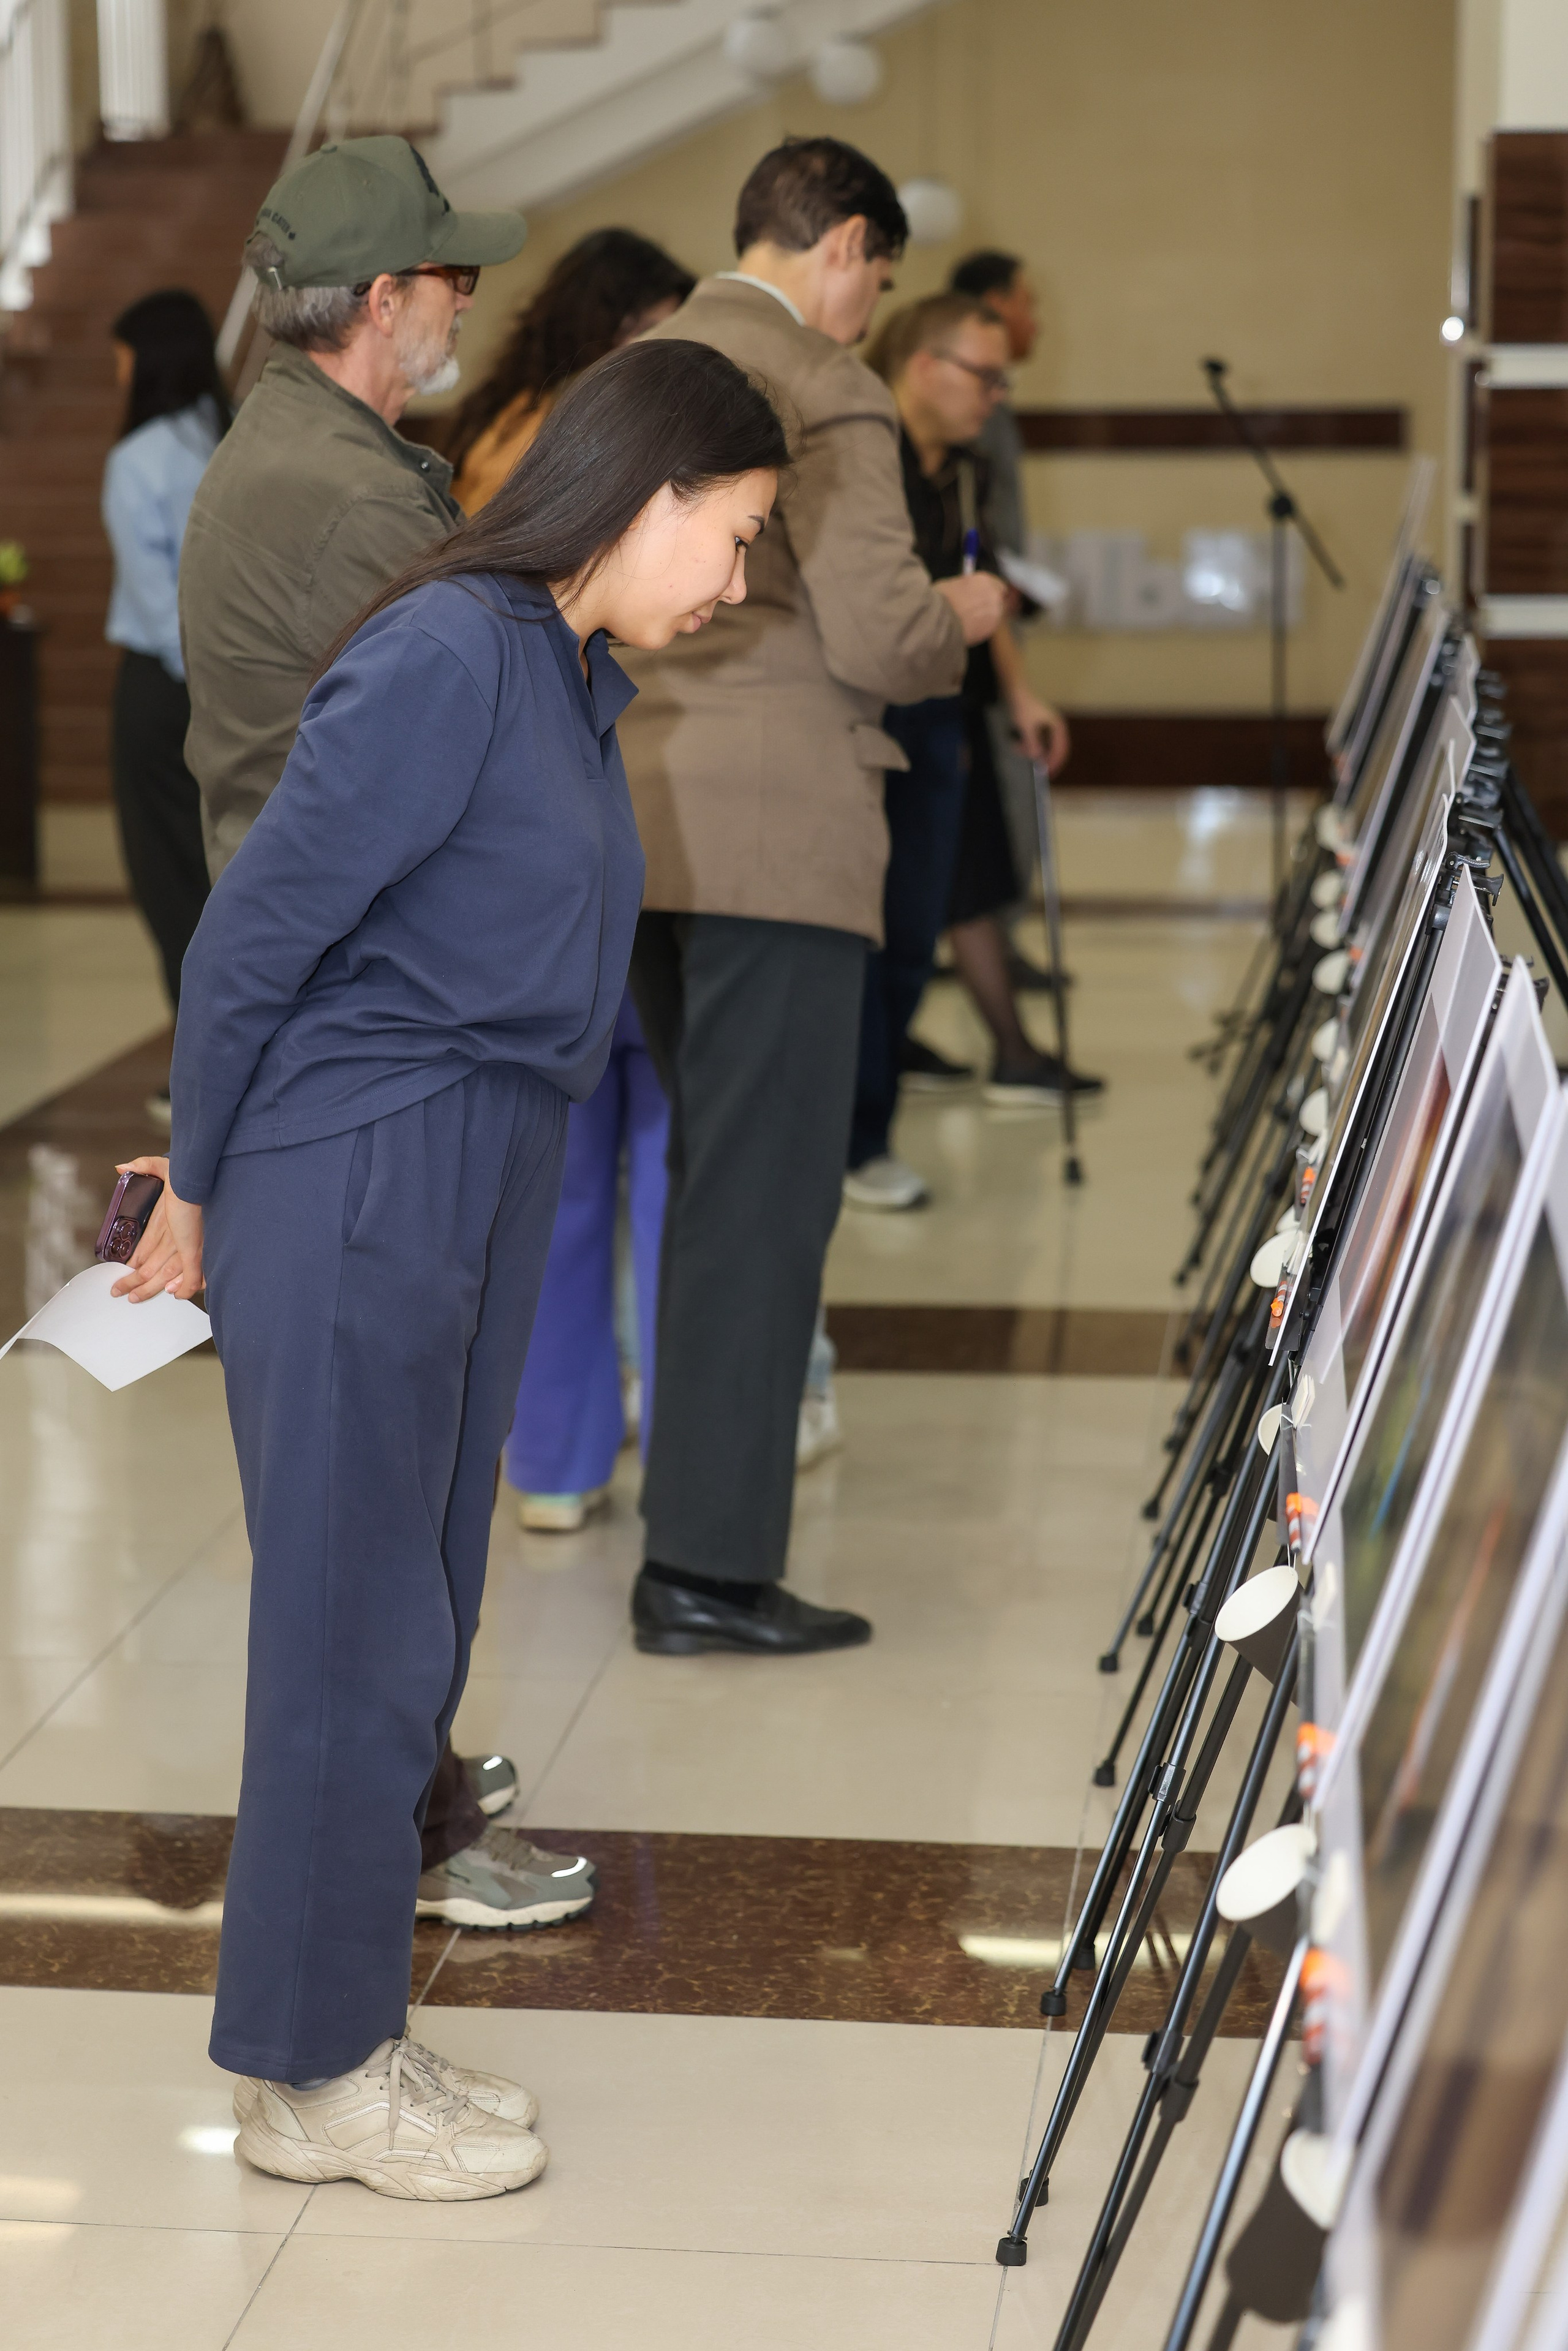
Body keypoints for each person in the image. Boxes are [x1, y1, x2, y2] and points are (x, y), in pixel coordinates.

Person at [113, 336, 788, 2201]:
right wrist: (208, 1176)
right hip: (363, 1169)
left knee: (411, 1611)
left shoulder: (559, 668)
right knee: (348, 1627)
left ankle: (338, 2043)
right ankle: (311, 2072)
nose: (732, 583)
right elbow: (257, 933)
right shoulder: (441, 657)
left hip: (475, 1154)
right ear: (643, 498)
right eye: (725, 539)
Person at [176, 134, 565, 1931]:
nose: (466, 301)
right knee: (374, 1520)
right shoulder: (355, 500)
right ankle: (395, 1842)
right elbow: (478, 730)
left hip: (340, 1002)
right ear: (377, 304)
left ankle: (405, 1796)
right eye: (446, 278)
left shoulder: (301, 450)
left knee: (377, 1508)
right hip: (368, 1028)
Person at [614, 137, 1006, 1656]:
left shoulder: (643, 359)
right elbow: (877, 631)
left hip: (640, 822)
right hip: (776, 833)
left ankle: (687, 1530)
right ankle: (706, 1565)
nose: (868, 310)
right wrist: (962, 613)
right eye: (878, 278)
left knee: (705, 1178)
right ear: (842, 243)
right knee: (762, 1201)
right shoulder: (812, 377)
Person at [102, 290, 228, 1123]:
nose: (114, 373)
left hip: (163, 692)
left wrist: (196, 690)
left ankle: (201, 1075)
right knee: (222, 876)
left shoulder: (139, 456)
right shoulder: (230, 437)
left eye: (119, 355)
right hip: (235, 688)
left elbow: (158, 602)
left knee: (168, 881)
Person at [447, 227, 695, 513]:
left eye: (668, 332)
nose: (651, 348)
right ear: (593, 322)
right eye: (643, 328)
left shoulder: (638, 417)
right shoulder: (519, 402)